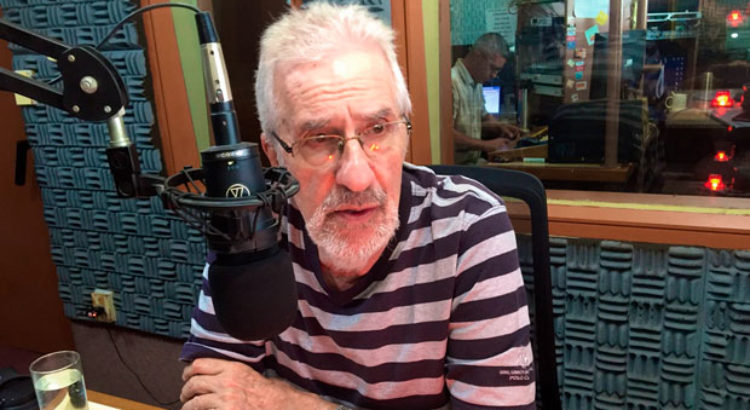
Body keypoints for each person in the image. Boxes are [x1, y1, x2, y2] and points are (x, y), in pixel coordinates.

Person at [179, 4, 535, 409]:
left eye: (378, 129)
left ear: (405, 131)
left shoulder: (469, 226)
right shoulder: (254, 221)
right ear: (274, 154)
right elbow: (213, 387)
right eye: (319, 139)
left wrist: (284, 402)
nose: (357, 176)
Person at [452, 33, 523, 165]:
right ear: (478, 55)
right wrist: (486, 145)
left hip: (473, 162)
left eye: (497, 71)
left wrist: (500, 127)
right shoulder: (452, 82)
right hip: (455, 167)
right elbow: (446, 134)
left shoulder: (477, 83)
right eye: (492, 68)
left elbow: (484, 117)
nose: (494, 75)